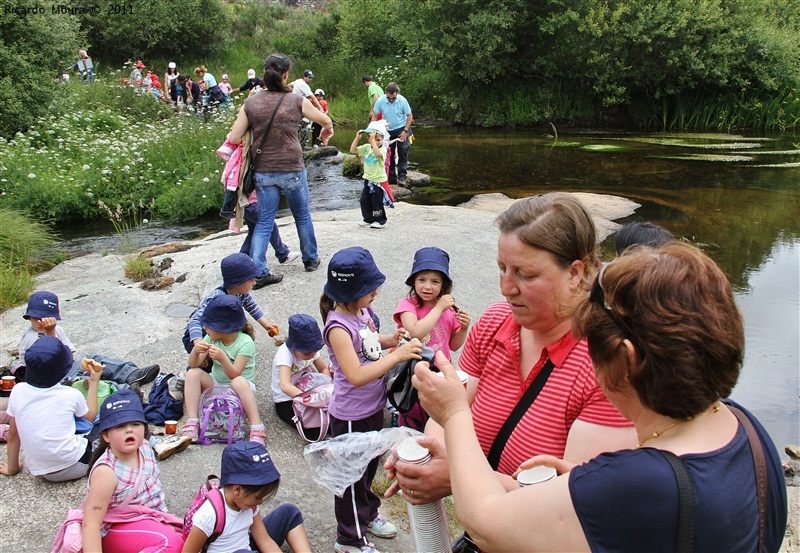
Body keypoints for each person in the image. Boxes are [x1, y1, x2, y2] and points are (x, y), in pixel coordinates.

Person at [413, 240, 789, 553]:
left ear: (626, 360)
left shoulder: (641, 482)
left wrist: (455, 413)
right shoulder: (743, 425)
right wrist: (582, 485)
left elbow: (485, 521)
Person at [384, 193, 635, 506]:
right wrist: (424, 455)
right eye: (502, 268)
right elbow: (453, 411)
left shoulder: (608, 365)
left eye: (525, 274)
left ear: (574, 273)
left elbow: (577, 506)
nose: (506, 287)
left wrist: (457, 475)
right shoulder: (495, 323)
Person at [320, 246, 423, 553]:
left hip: (372, 407)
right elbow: (356, 375)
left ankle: (367, 514)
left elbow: (366, 341)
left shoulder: (361, 313)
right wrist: (398, 356)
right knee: (351, 478)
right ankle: (348, 539)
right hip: (351, 414)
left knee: (367, 468)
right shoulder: (337, 327)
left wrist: (390, 340)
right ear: (350, 293)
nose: (376, 292)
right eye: (369, 289)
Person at [226, 53, 333, 277]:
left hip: (263, 170)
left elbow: (234, 137)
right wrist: (327, 129)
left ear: (264, 72)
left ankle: (259, 271)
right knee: (302, 215)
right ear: (285, 75)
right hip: (292, 167)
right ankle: (311, 260)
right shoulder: (296, 100)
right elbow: (324, 119)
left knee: (265, 221)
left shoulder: (251, 103)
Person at [80, 390, 184, 552]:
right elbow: (91, 523)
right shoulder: (106, 472)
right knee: (170, 544)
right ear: (106, 435)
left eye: (135, 424)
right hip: (117, 527)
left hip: (149, 519)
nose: (129, 430)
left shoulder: (144, 447)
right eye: (120, 426)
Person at [182, 441, 312, 553]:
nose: (260, 502)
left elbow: (265, 541)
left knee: (289, 512)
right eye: (257, 497)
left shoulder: (248, 505)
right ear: (238, 490)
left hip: (246, 548)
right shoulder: (209, 515)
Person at [0, 336, 100, 481]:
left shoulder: (18, 391)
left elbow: (14, 434)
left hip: (41, 471)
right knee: (105, 422)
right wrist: (94, 381)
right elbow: (90, 416)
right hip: (75, 464)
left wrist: (12, 467)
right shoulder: (71, 394)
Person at [392, 247, 471, 430]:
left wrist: (464, 329)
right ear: (413, 281)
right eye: (422, 280)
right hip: (413, 373)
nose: (427, 286)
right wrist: (439, 308)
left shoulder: (448, 309)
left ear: (443, 285)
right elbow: (415, 332)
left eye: (435, 281)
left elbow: (453, 345)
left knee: (435, 416)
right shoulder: (408, 305)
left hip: (439, 374)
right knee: (412, 411)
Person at [15, 291, 159, 390]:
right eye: (37, 319)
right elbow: (52, 362)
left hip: (66, 368)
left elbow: (68, 355)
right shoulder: (31, 338)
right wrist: (50, 332)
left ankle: (130, 373)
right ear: (29, 317)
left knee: (94, 359)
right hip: (51, 380)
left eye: (46, 319)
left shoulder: (57, 330)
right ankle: (122, 390)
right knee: (79, 382)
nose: (41, 323)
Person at [181, 295, 267, 445]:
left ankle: (256, 427)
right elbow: (194, 365)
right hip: (217, 386)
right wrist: (195, 351)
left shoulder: (245, 343)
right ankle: (193, 422)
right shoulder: (211, 338)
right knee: (192, 373)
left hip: (240, 391)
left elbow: (235, 373)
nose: (204, 328)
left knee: (238, 382)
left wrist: (222, 358)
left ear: (224, 328)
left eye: (209, 325)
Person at [183, 253, 280, 372]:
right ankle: (186, 379)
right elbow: (195, 321)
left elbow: (251, 306)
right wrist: (198, 344)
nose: (254, 283)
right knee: (204, 365)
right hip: (202, 335)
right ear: (238, 281)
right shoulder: (217, 298)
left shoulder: (240, 292)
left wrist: (266, 325)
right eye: (251, 280)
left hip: (220, 331)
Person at [271, 314, 331, 438]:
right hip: (286, 399)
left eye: (314, 351)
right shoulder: (285, 354)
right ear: (294, 347)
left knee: (332, 420)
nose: (312, 355)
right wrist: (306, 399)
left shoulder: (311, 349)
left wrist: (328, 386)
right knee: (312, 430)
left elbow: (323, 368)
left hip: (308, 388)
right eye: (307, 353)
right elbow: (285, 385)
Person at [371, 83, 413, 186]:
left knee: (402, 151)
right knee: (388, 153)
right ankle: (391, 176)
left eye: (393, 98)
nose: (391, 100)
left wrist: (405, 130)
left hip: (401, 128)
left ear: (397, 94)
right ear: (386, 93)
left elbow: (409, 116)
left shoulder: (402, 100)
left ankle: (402, 176)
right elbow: (375, 116)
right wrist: (374, 130)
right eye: (389, 98)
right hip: (387, 130)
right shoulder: (381, 100)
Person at [350, 122, 390, 229]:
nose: (376, 142)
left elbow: (377, 154)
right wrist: (357, 138)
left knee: (376, 200)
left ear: (382, 139)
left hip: (378, 181)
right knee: (364, 200)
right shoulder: (367, 147)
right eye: (373, 139)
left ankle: (380, 220)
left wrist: (373, 142)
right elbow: (353, 150)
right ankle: (368, 218)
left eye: (378, 140)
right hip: (368, 179)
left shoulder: (383, 149)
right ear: (368, 138)